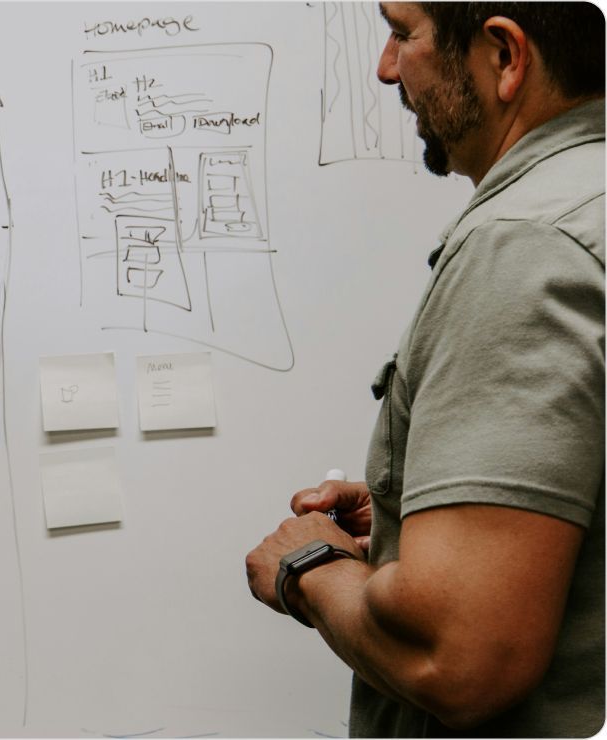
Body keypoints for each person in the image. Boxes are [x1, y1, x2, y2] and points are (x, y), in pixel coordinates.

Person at [245, 2, 604, 736]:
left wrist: (306, 567)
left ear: (504, 56)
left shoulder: (524, 246)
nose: (385, 68)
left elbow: (462, 657)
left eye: (403, 34)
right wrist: (418, 510)